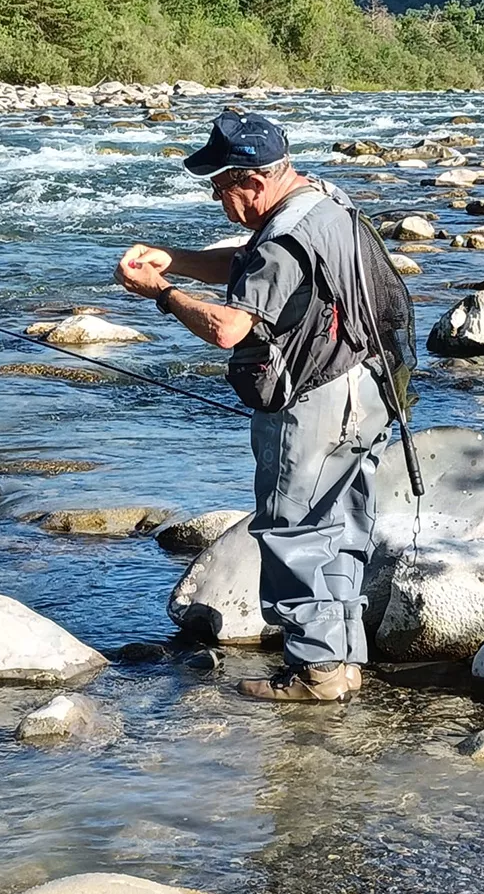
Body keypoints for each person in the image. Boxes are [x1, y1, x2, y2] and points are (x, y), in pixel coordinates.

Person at [115, 110, 392, 703]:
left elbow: (228, 327)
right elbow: (253, 261)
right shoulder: (322, 203)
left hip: (314, 401)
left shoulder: (285, 235)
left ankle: (315, 674)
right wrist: (178, 256)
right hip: (366, 389)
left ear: (255, 179)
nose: (218, 198)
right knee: (341, 528)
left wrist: (163, 293)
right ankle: (340, 664)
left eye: (222, 187)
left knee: (293, 531)